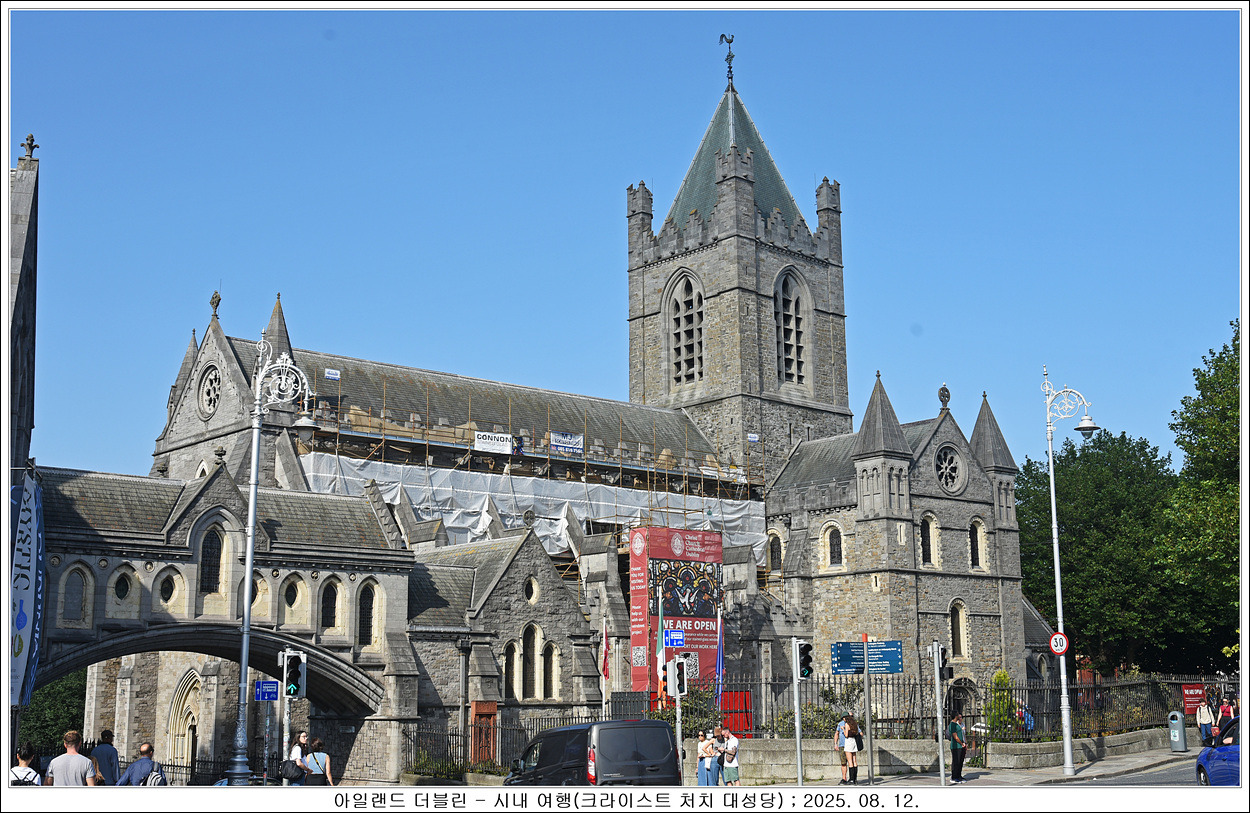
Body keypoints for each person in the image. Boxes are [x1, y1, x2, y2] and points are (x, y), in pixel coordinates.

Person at [948, 712, 967, 784]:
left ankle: (959, 775)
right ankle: (954, 777)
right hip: (956, 746)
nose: (959, 717)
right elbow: (955, 736)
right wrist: (961, 743)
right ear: (955, 716)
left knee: (960, 761)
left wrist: (964, 743)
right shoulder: (952, 724)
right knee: (956, 762)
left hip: (960, 746)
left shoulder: (957, 724)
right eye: (958, 715)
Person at [844, 715, 861, 785]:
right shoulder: (855, 724)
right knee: (854, 760)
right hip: (854, 742)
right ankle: (855, 779)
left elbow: (846, 735)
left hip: (849, 742)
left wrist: (843, 729)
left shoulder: (847, 724)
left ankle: (851, 779)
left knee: (850, 761)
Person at [836, 712, 851, 785]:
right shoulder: (840, 724)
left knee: (851, 762)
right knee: (843, 762)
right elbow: (837, 733)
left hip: (849, 745)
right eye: (844, 718)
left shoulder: (852, 723)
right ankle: (844, 778)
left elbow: (859, 732)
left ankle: (852, 778)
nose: (845, 719)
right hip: (842, 745)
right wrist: (835, 744)